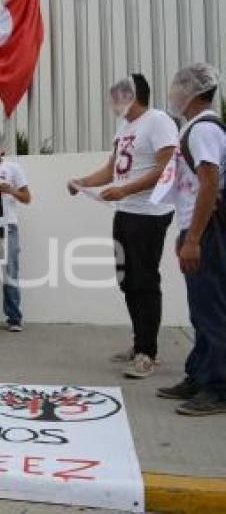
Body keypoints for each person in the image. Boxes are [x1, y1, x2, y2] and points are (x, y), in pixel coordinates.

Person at [67, 74, 178, 379]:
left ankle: (148, 353)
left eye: (119, 95)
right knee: (127, 280)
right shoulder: (125, 127)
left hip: (149, 212)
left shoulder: (158, 120)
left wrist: (126, 190)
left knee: (144, 280)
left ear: (134, 94)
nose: (113, 101)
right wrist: (83, 182)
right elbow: (112, 168)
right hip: (125, 211)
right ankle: (139, 341)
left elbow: (168, 166)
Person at [158, 63, 226, 416]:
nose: (174, 94)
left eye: (178, 87)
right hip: (197, 227)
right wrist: (184, 233)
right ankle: (199, 374)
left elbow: (210, 183)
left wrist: (195, 238)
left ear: (194, 91)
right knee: (200, 308)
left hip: (208, 229)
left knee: (211, 308)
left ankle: (218, 387)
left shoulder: (203, 130)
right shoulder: (194, 128)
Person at [0, 133, 31, 332]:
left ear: (2, 149)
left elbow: (27, 197)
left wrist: (11, 191)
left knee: (10, 272)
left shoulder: (13, 168)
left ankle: (14, 318)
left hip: (7, 226)